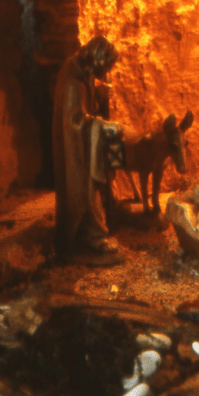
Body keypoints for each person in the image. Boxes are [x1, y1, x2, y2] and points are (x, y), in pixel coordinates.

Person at [50, 36, 122, 263]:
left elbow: (84, 104)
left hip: (83, 146)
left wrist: (98, 94)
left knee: (94, 188)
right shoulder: (73, 80)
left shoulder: (83, 71)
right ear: (97, 61)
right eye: (106, 68)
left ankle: (97, 230)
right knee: (85, 191)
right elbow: (74, 121)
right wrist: (101, 126)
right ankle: (89, 237)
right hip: (76, 151)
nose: (107, 72)